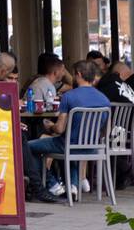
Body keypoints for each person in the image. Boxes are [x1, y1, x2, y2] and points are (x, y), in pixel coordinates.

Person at [26, 59, 109, 202]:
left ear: (78, 74)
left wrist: (49, 126)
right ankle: (73, 186)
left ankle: (52, 183)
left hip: (68, 145)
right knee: (74, 146)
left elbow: (59, 129)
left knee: (27, 147)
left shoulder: (69, 97)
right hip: (93, 147)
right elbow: (105, 130)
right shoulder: (104, 99)